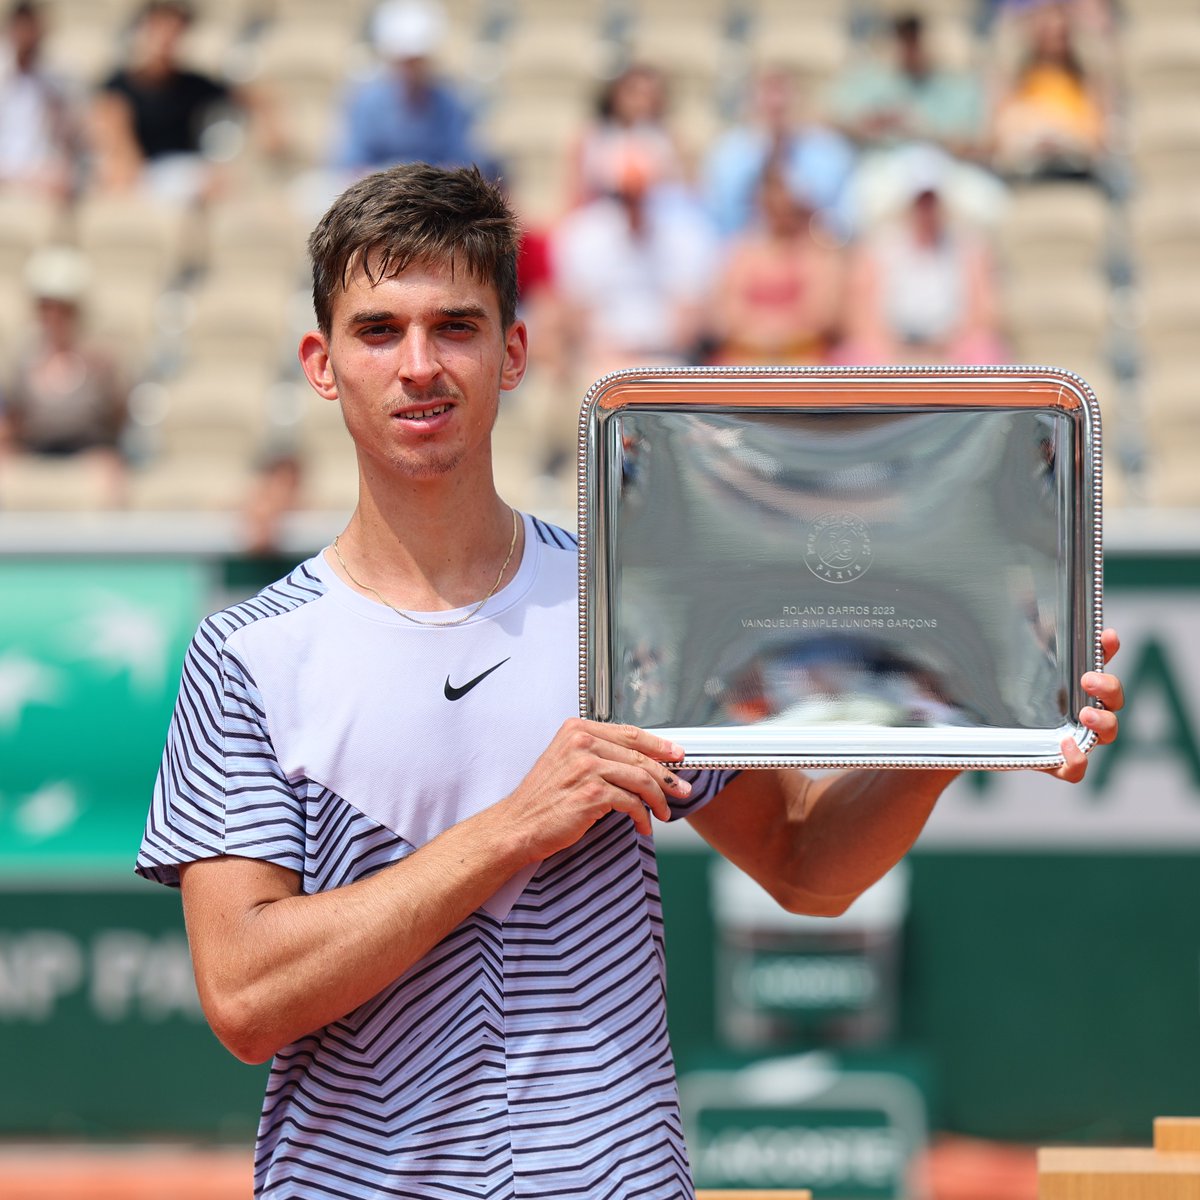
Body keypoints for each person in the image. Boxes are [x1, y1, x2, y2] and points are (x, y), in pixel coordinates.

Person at [134, 162, 1123, 1198]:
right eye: (379, 330)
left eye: (457, 327)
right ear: (321, 362)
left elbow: (804, 862)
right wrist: (516, 828)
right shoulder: (245, 654)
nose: (419, 364)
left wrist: (961, 724)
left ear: (515, 351)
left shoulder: (630, 606)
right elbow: (245, 997)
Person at [90, 0, 278, 204]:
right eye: (159, 28)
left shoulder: (193, 84)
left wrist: (270, 123)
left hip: (183, 170)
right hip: (142, 175)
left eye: (174, 30)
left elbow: (246, 97)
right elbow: (118, 148)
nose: (166, 38)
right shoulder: (117, 87)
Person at [0, 244, 128, 506]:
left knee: (109, 479)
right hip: (34, 452)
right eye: (46, 307)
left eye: (62, 308)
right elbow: (14, 420)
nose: (53, 316)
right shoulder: (23, 362)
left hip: (87, 454)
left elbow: (117, 422)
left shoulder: (101, 364)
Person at [709, 161, 847, 366]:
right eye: (772, 197)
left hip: (805, 361)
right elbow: (728, 316)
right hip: (744, 361)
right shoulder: (740, 251)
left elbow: (821, 316)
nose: (779, 206)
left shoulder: (819, 251)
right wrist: (770, 334)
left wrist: (771, 333)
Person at [330, 0, 488, 178]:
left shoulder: (451, 104)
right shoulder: (365, 103)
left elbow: (463, 162)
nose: (411, 69)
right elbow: (352, 163)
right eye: (404, 61)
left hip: (434, 196)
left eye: (417, 60)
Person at [0, 0, 82, 199]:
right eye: (22, 29)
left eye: (32, 30)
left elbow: (66, 139)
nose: (27, 37)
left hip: (39, 169)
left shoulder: (55, 81)